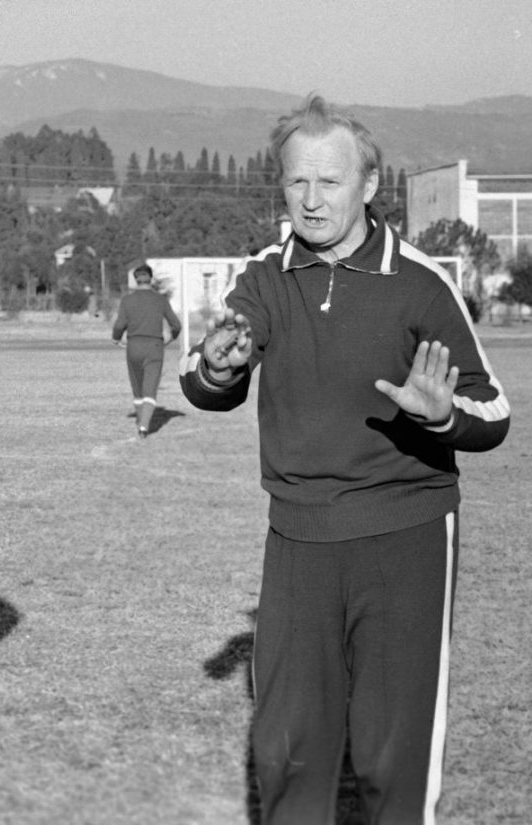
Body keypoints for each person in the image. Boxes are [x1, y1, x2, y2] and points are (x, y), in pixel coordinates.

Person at [180, 94, 510, 824]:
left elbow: (496, 413)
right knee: (290, 746)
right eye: (297, 181)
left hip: (406, 538)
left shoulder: (421, 282)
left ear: (368, 184)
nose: (311, 198)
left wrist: (443, 414)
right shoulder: (266, 275)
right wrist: (222, 365)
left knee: (393, 751)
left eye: (329, 182)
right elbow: (205, 379)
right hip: (297, 539)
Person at [111, 263, 182, 438]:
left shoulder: (127, 300)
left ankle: (140, 420)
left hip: (133, 347)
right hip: (155, 348)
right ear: (151, 279)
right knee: (150, 388)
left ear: (135, 280)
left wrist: (116, 338)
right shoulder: (160, 300)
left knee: (137, 388)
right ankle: (143, 427)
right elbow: (176, 325)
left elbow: (119, 325)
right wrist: (170, 337)